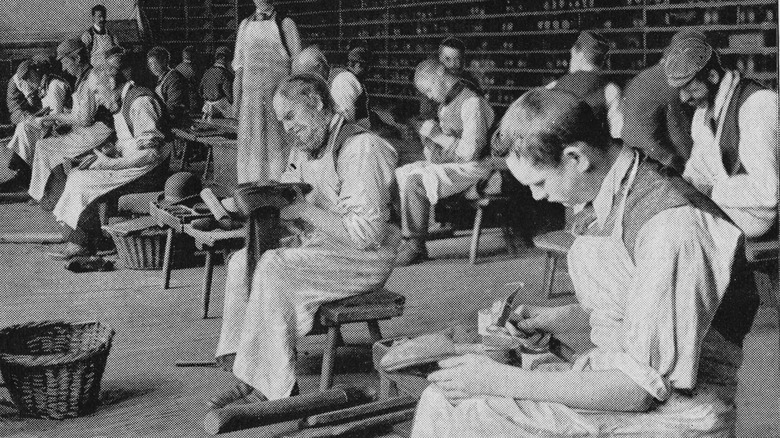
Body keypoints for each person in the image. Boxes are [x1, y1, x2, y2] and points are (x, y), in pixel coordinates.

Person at [411, 88, 759, 438]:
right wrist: (555, 317)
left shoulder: (671, 224)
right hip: (619, 377)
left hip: (677, 412)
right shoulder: (614, 191)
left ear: (576, 158)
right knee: (443, 400)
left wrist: (501, 381)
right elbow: (643, 307)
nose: (538, 196)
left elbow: (640, 389)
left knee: (473, 412)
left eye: (540, 182)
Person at [211, 74, 399, 406]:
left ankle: (276, 389)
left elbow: (366, 234)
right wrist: (257, 204)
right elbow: (291, 192)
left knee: (272, 266)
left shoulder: (360, 147)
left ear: (316, 104)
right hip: (326, 246)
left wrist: (302, 210)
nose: (287, 128)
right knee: (244, 261)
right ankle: (246, 370)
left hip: (366, 258)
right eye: (282, 121)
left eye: (290, 117)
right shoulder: (308, 145)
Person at [48, 64, 170, 260]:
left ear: (112, 82)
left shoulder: (140, 102)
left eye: (97, 92)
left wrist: (109, 164)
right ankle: (91, 238)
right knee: (77, 174)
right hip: (133, 166)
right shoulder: (123, 101)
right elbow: (130, 141)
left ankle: (82, 244)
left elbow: (151, 155)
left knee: (83, 181)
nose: (97, 99)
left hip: (149, 172)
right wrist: (111, 152)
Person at [664, 33, 778, 239]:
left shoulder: (756, 105)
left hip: (758, 217)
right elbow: (697, 170)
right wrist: (680, 184)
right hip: (727, 207)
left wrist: (710, 190)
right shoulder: (703, 112)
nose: (683, 98)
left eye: (689, 88)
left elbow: (768, 192)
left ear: (713, 77)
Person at [395, 59, 495, 266]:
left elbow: (472, 152)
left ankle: (415, 245)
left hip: (477, 167)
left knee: (416, 182)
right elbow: (445, 150)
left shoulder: (471, 102)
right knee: (400, 174)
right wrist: (430, 143)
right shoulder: (445, 106)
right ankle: (405, 237)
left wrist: (438, 136)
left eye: (430, 89)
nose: (429, 96)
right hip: (456, 164)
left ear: (441, 73)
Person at [28, 39, 114, 209]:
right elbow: (81, 115)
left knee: (44, 146)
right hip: (92, 128)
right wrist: (64, 122)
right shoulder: (83, 78)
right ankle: (53, 193)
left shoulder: (91, 79)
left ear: (77, 58)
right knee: (48, 143)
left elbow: (84, 119)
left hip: (100, 131)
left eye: (66, 62)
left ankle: (51, 195)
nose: (64, 68)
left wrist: (50, 118)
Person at [233, 0, 301, 184]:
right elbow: (239, 67)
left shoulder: (285, 24)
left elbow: (298, 66)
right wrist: (236, 103)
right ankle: (250, 192)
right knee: (252, 150)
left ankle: (278, 192)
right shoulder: (245, 25)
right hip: (250, 104)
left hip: (278, 101)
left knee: (277, 150)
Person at [621, 30, 700, 173]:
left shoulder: (644, 76)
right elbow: (678, 133)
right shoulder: (671, 82)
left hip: (630, 155)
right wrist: (695, 164)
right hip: (655, 159)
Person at [3, 59, 70, 191]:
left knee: (25, 127)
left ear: (38, 70)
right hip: (55, 126)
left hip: (66, 128)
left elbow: (56, 119)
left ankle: (22, 172)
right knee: (24, 126)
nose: (28, 82)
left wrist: (37, 120)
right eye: (25, 79)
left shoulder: (54, 85)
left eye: (29, 76)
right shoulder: (45, 86)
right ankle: (22, 172)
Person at [549, 31, 623, 139]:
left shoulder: (552, 87)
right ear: (602, 62)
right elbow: (617, 134)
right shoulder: (610, 90)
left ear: (578, 54)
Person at [419, 37, 482, 120]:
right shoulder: (431, 84)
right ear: (440, 58)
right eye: (448, 59)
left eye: (457, 59)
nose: (453, 64)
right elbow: (426, 116)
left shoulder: (471, 83)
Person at [327, 46, 372, 127]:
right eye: (367, 67)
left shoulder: (351, 78)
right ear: (358, 65)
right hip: (347, 131)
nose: (368, 72)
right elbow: (345, 116)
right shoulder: (346, 80)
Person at [147, 46, 190, 127]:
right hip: (164, 119)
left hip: (176, 123)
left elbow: (174, 106)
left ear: (165, 61)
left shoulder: (174, 78)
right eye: (150, 64)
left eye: (155, 63)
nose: (153, 67)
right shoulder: (161, 78)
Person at [199, 46, 234, 120]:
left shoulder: (207, 72)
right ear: (224, 58)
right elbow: (229, 94)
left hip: (207, 106)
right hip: (221, 107)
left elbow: (200, 91)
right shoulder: (225, 74)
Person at [175, 45, 201, 114]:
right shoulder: (193, 69)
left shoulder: (177, 67)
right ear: (193, 56)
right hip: (192, 102)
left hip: (180, 100)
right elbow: (198, 86)